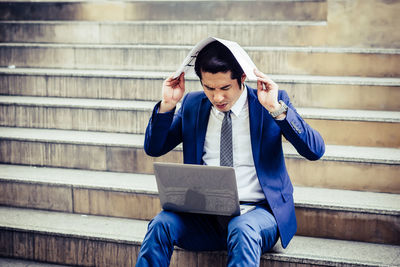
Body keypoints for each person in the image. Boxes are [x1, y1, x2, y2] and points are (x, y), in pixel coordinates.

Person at [136, 40, 325, 266]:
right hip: (205, 216)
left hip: (258, 214)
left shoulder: (270, 104)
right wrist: (168, 105)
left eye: (225, 88)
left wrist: (277, 110)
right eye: (209, 88)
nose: (217, 98)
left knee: (241, 228)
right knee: (160, 224)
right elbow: (154, 148)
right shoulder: (193, 104)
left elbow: (315, 150)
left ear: (242, 78)